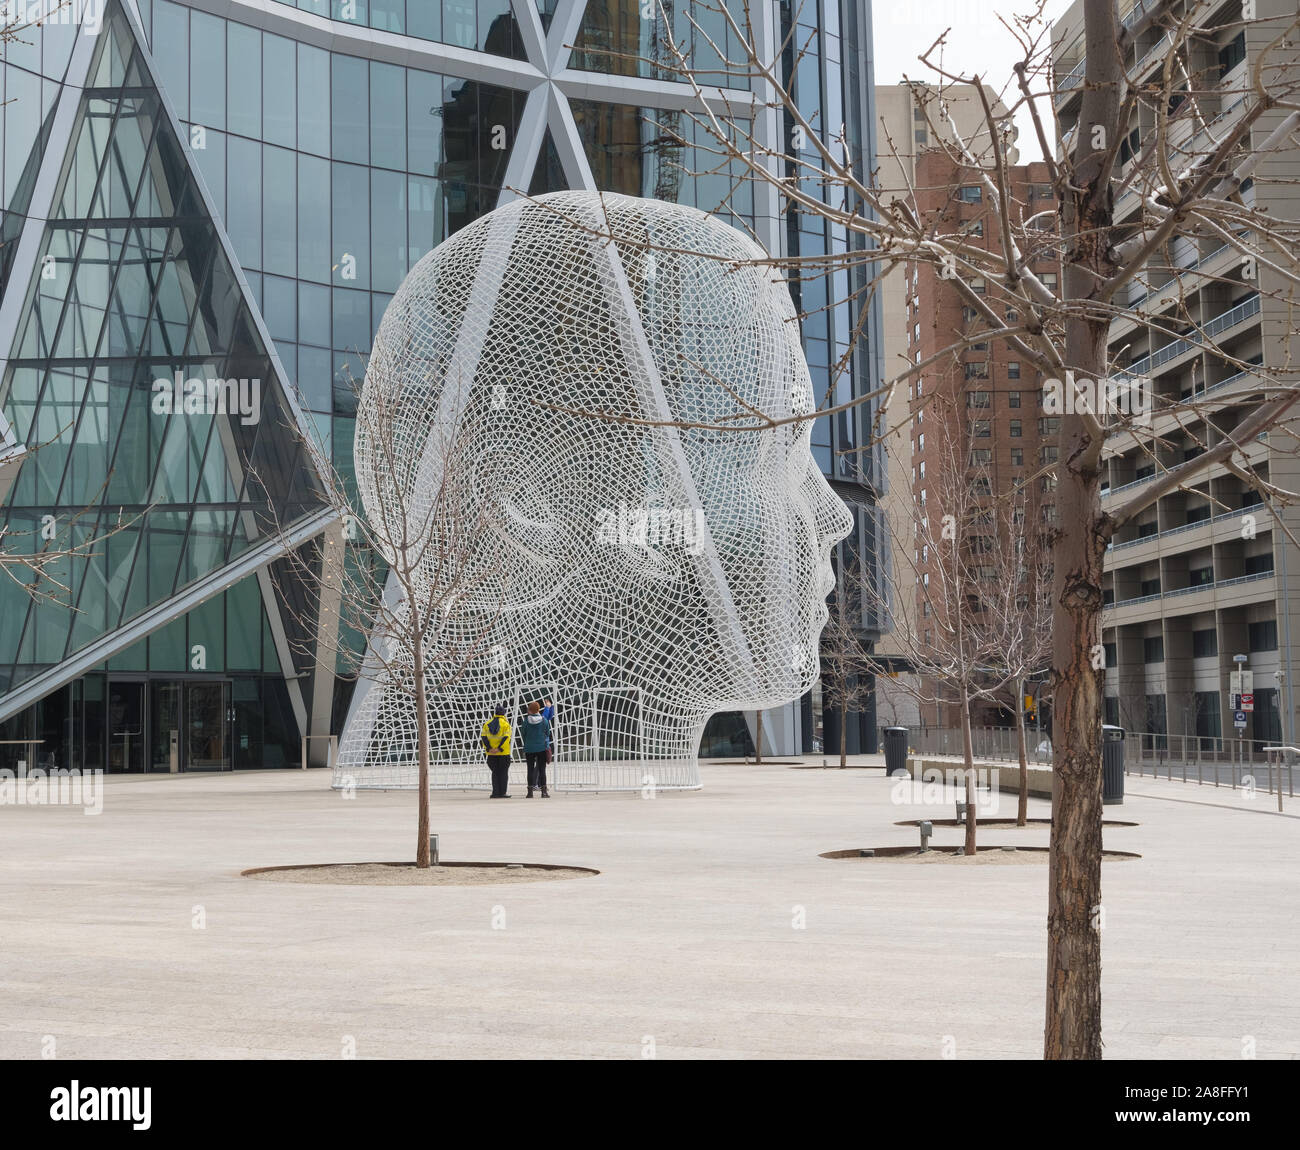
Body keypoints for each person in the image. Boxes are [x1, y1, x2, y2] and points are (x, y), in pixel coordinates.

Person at [480, 704, 513, 798]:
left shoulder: (487, 724)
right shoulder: (506, 724)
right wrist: (499, 748)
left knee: (495, 773)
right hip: (503, 753)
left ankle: (495, 792)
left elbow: (483, 737)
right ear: (503, 713)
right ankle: (502, 792)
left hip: (491, 753)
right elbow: (506, 738)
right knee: (503, 773)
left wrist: (489, 748)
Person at [521, 701, 551, 798]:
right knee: (542, 770)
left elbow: (523, 734)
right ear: (538, 709)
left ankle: (530, 792)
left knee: (530, 769)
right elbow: (547, 733)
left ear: (530, 710)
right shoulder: (544, 720)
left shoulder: (526, 721)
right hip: (541, 747)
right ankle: (544, 792)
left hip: (529, 748)